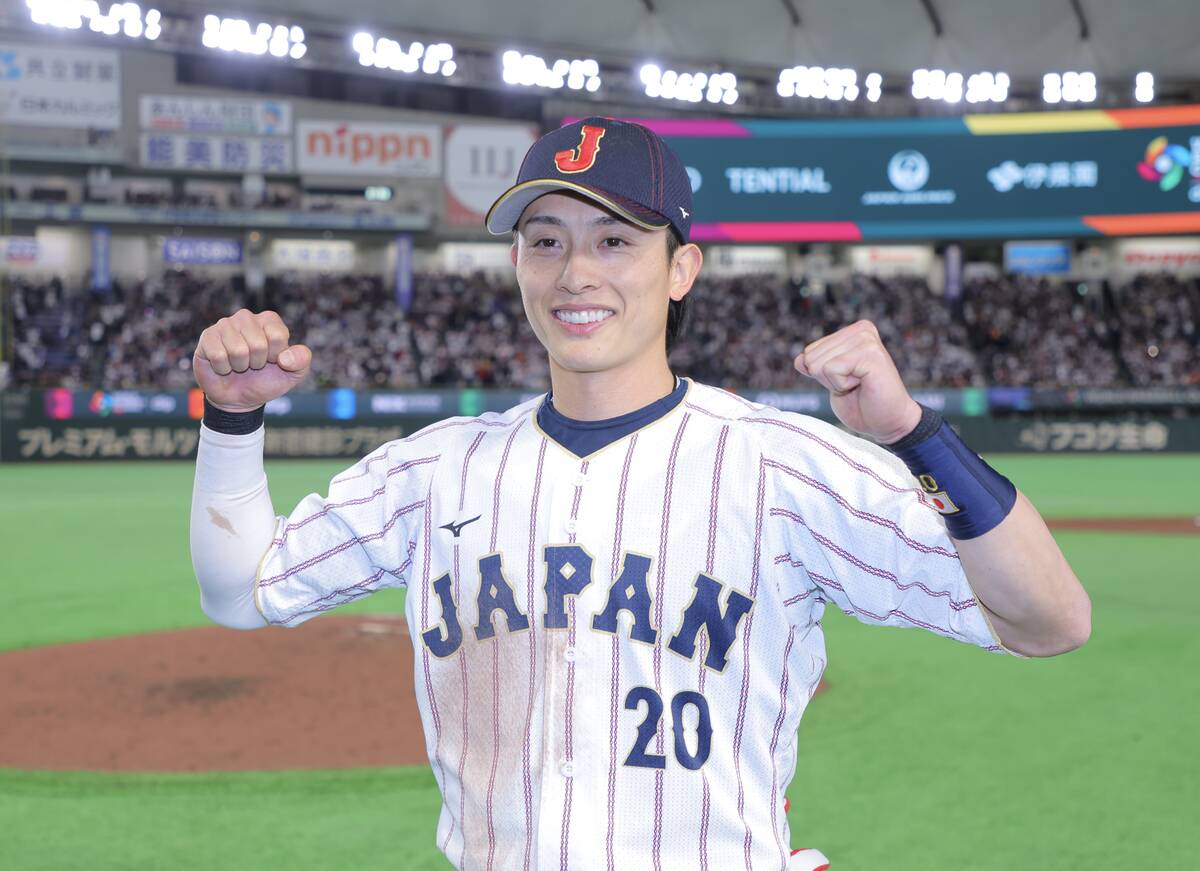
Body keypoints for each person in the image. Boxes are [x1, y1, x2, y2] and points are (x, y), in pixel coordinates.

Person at [190, 117, 1091, 870]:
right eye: (545, 242)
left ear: (682, 270)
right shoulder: (433, 471)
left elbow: (1050, 620)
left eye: (615, 240)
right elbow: (244, 593)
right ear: (517, 266)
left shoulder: (781, 465)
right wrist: (231, 419)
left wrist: (915, 435)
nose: (575, 273)